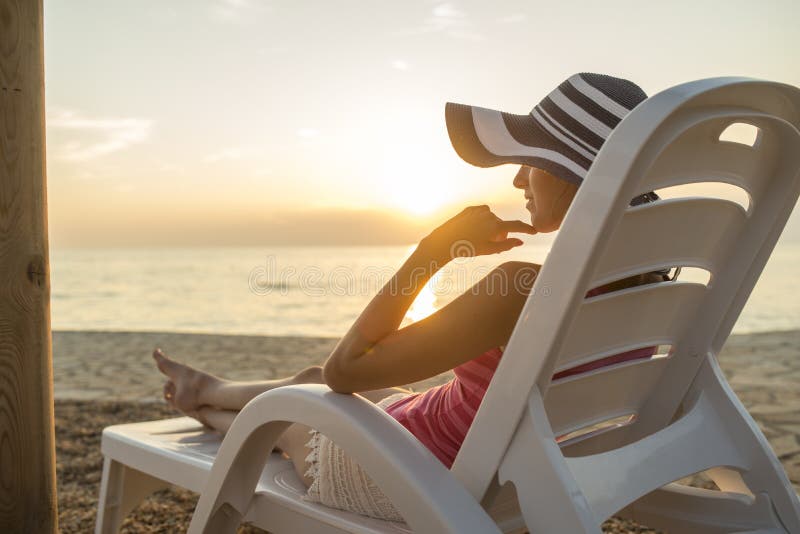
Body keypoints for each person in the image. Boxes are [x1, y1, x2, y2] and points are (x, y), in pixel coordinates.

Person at [153, 72, 667, 522]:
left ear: (566, 174)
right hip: (514, 472)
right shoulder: (653, 289)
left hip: (414, 478)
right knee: (306, 383)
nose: (517, 177)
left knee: (291, 413)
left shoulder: (521, 292)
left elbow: (347, 369)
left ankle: (205, 409)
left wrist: (433, 250)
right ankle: (206, 388)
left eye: (530, 161)